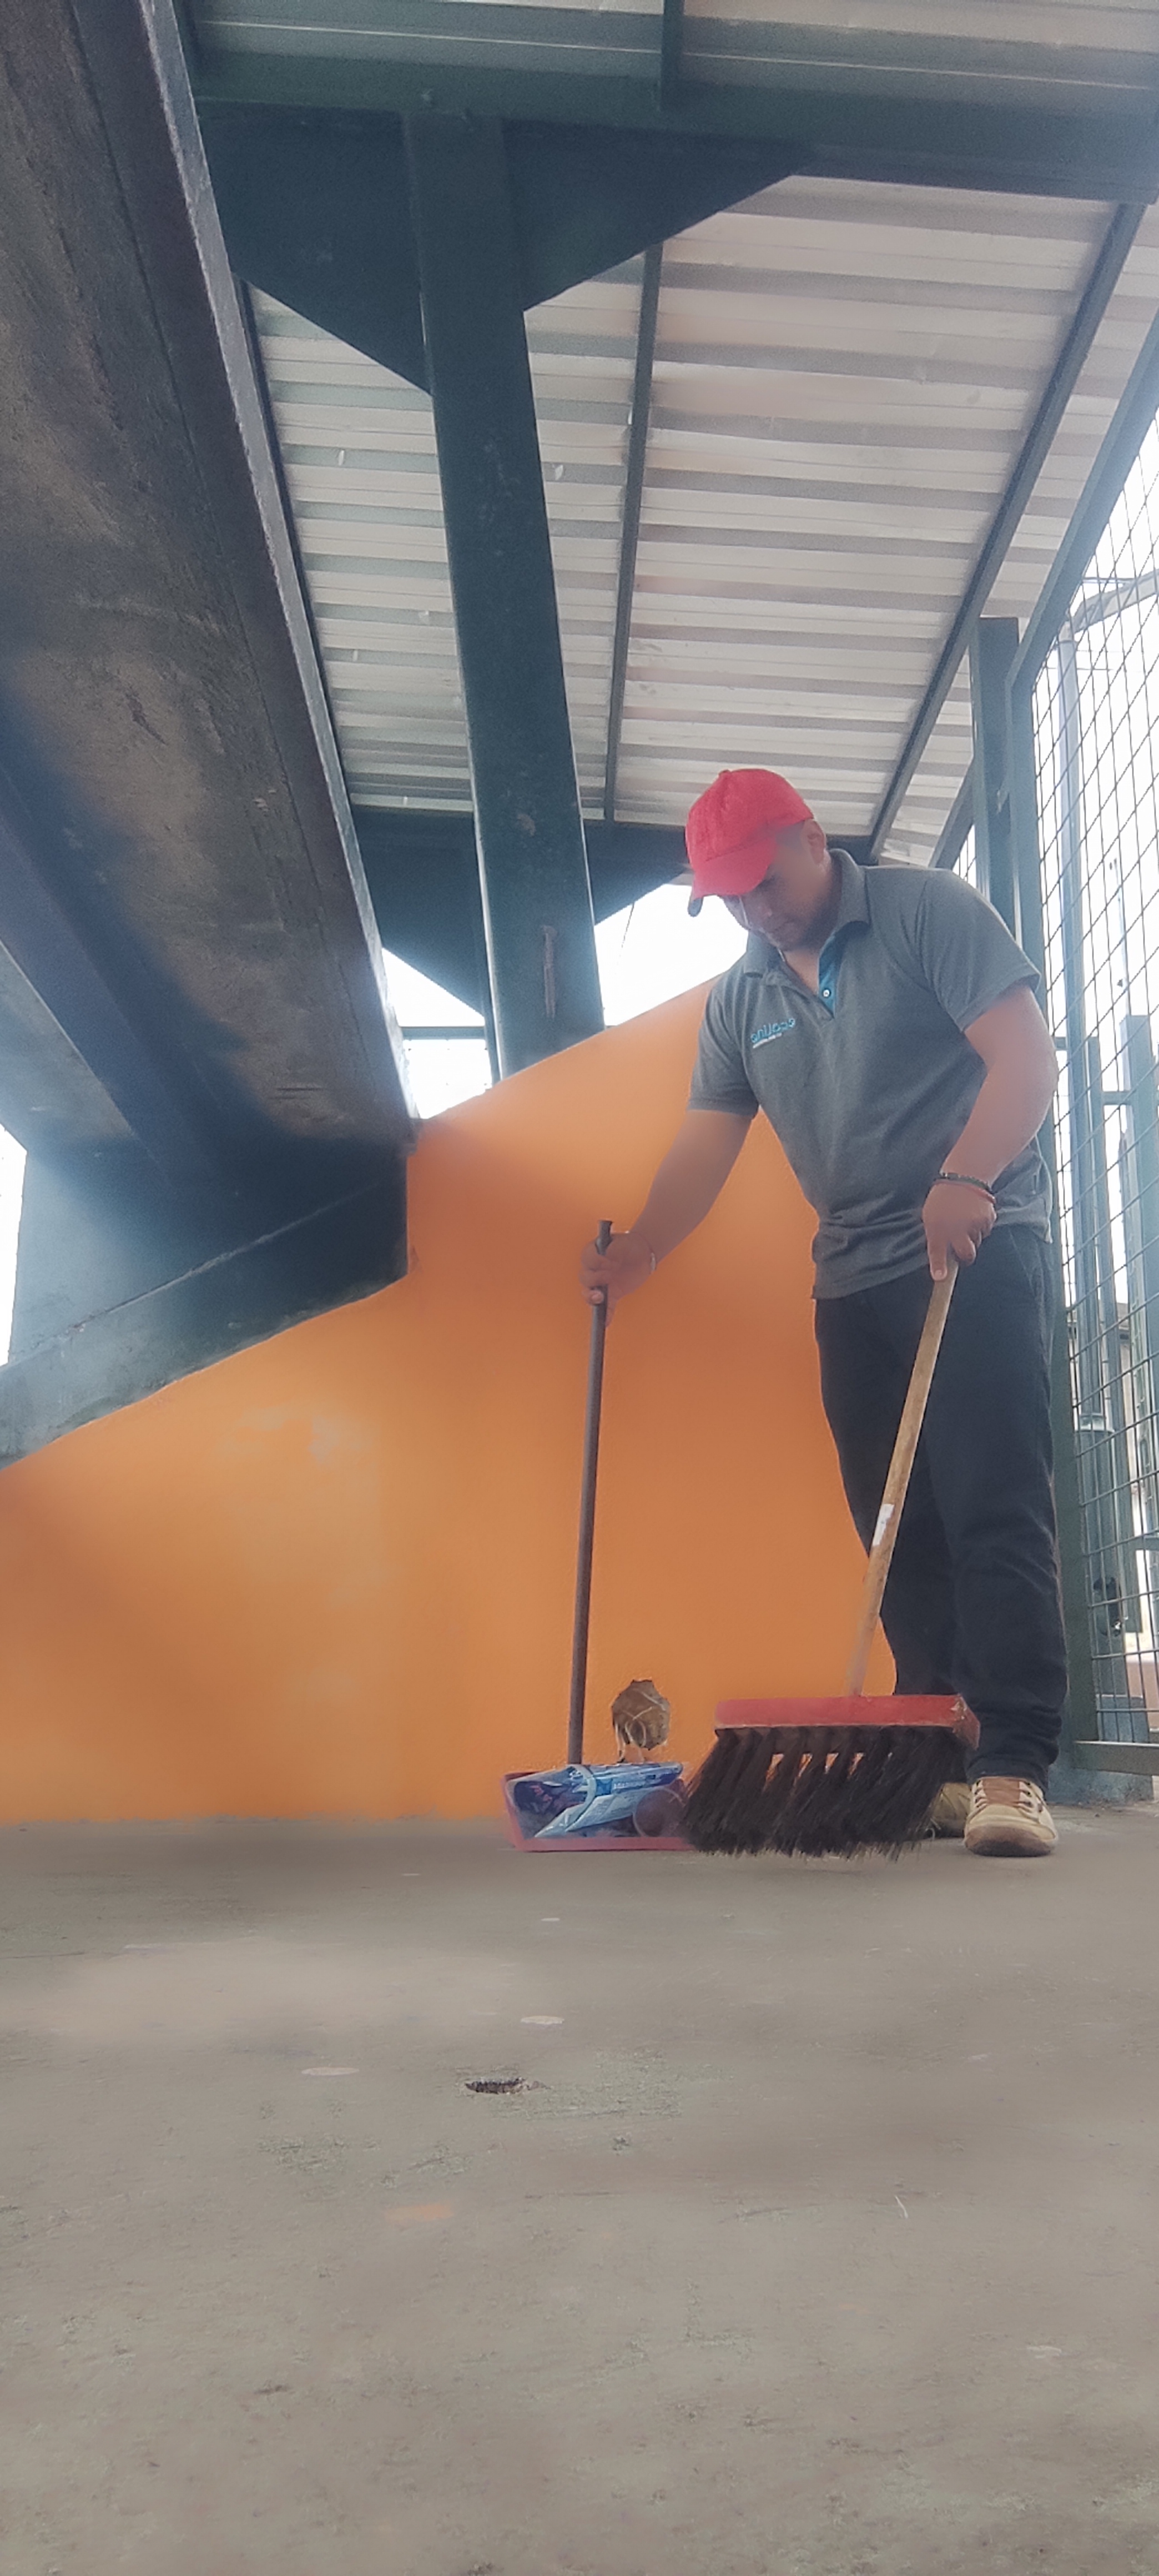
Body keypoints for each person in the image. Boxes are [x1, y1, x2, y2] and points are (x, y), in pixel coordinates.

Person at [581, 766, 1067, 1859]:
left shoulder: (927, 913)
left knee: (992, 1505)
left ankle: (1015, 1765)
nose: (754, 909)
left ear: (811, 839)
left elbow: (1026, 1058)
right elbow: (707, 1140)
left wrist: (968, 1175)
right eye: (729, 897)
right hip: (851, 1277)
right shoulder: (742, 1001)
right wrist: (643, 1248)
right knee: (896, 1527)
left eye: (763, 881)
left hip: (973, 1246)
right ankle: (938, 1755)